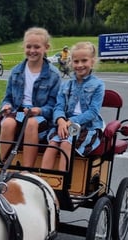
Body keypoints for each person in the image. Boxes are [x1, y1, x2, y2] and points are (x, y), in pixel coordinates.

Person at [0, 27, 61, 167]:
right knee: (8, 123)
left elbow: (54, 106)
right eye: (28, 46)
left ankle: (27, 170)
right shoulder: (16, 71)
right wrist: (6, 106)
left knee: (31, 123)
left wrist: (38, 111)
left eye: (37, 47)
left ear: (46, 48)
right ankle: (4, 165)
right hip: (18, 113)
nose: (32, 50)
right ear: (24, 47)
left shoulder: (53, 75)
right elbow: (7, 97)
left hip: (41, 117)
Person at [41, 41, 105, 172]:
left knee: (66, 143)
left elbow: (93, 112)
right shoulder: (66, 85)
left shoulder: (98, 85)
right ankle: (43, 180)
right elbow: (58, 106)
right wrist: (60, 121)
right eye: (76, 61)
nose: (80, 65)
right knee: (53, 144)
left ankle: (63, 183)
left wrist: (71, 122)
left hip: (87, 126)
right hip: (65, 124)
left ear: (92, 62)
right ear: (71, 62)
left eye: (84, 61)